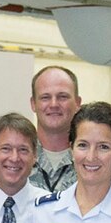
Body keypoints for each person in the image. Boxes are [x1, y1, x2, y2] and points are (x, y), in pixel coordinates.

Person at [29, 65, 80, 195]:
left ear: (78, 103)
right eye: (45, 97)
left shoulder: (92, 160)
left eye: (62, 97)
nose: (54, 104)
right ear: (33, 104)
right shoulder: (16, 159)